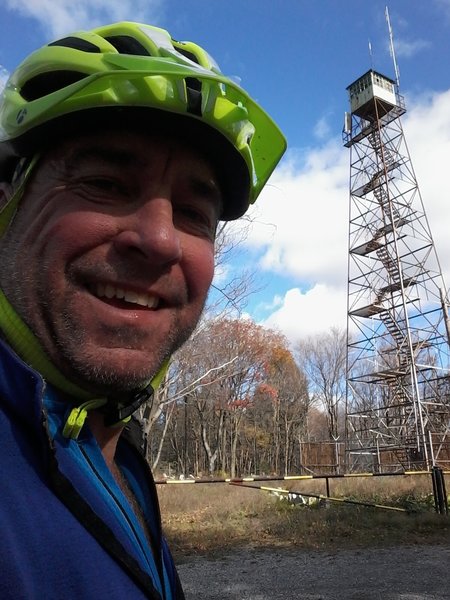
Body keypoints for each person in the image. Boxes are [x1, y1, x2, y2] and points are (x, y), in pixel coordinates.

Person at [0, 21, 286, 600]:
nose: (160, 241)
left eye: (193, 213)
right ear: (6, 203)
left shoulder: (117, 453)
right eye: (105, 182)